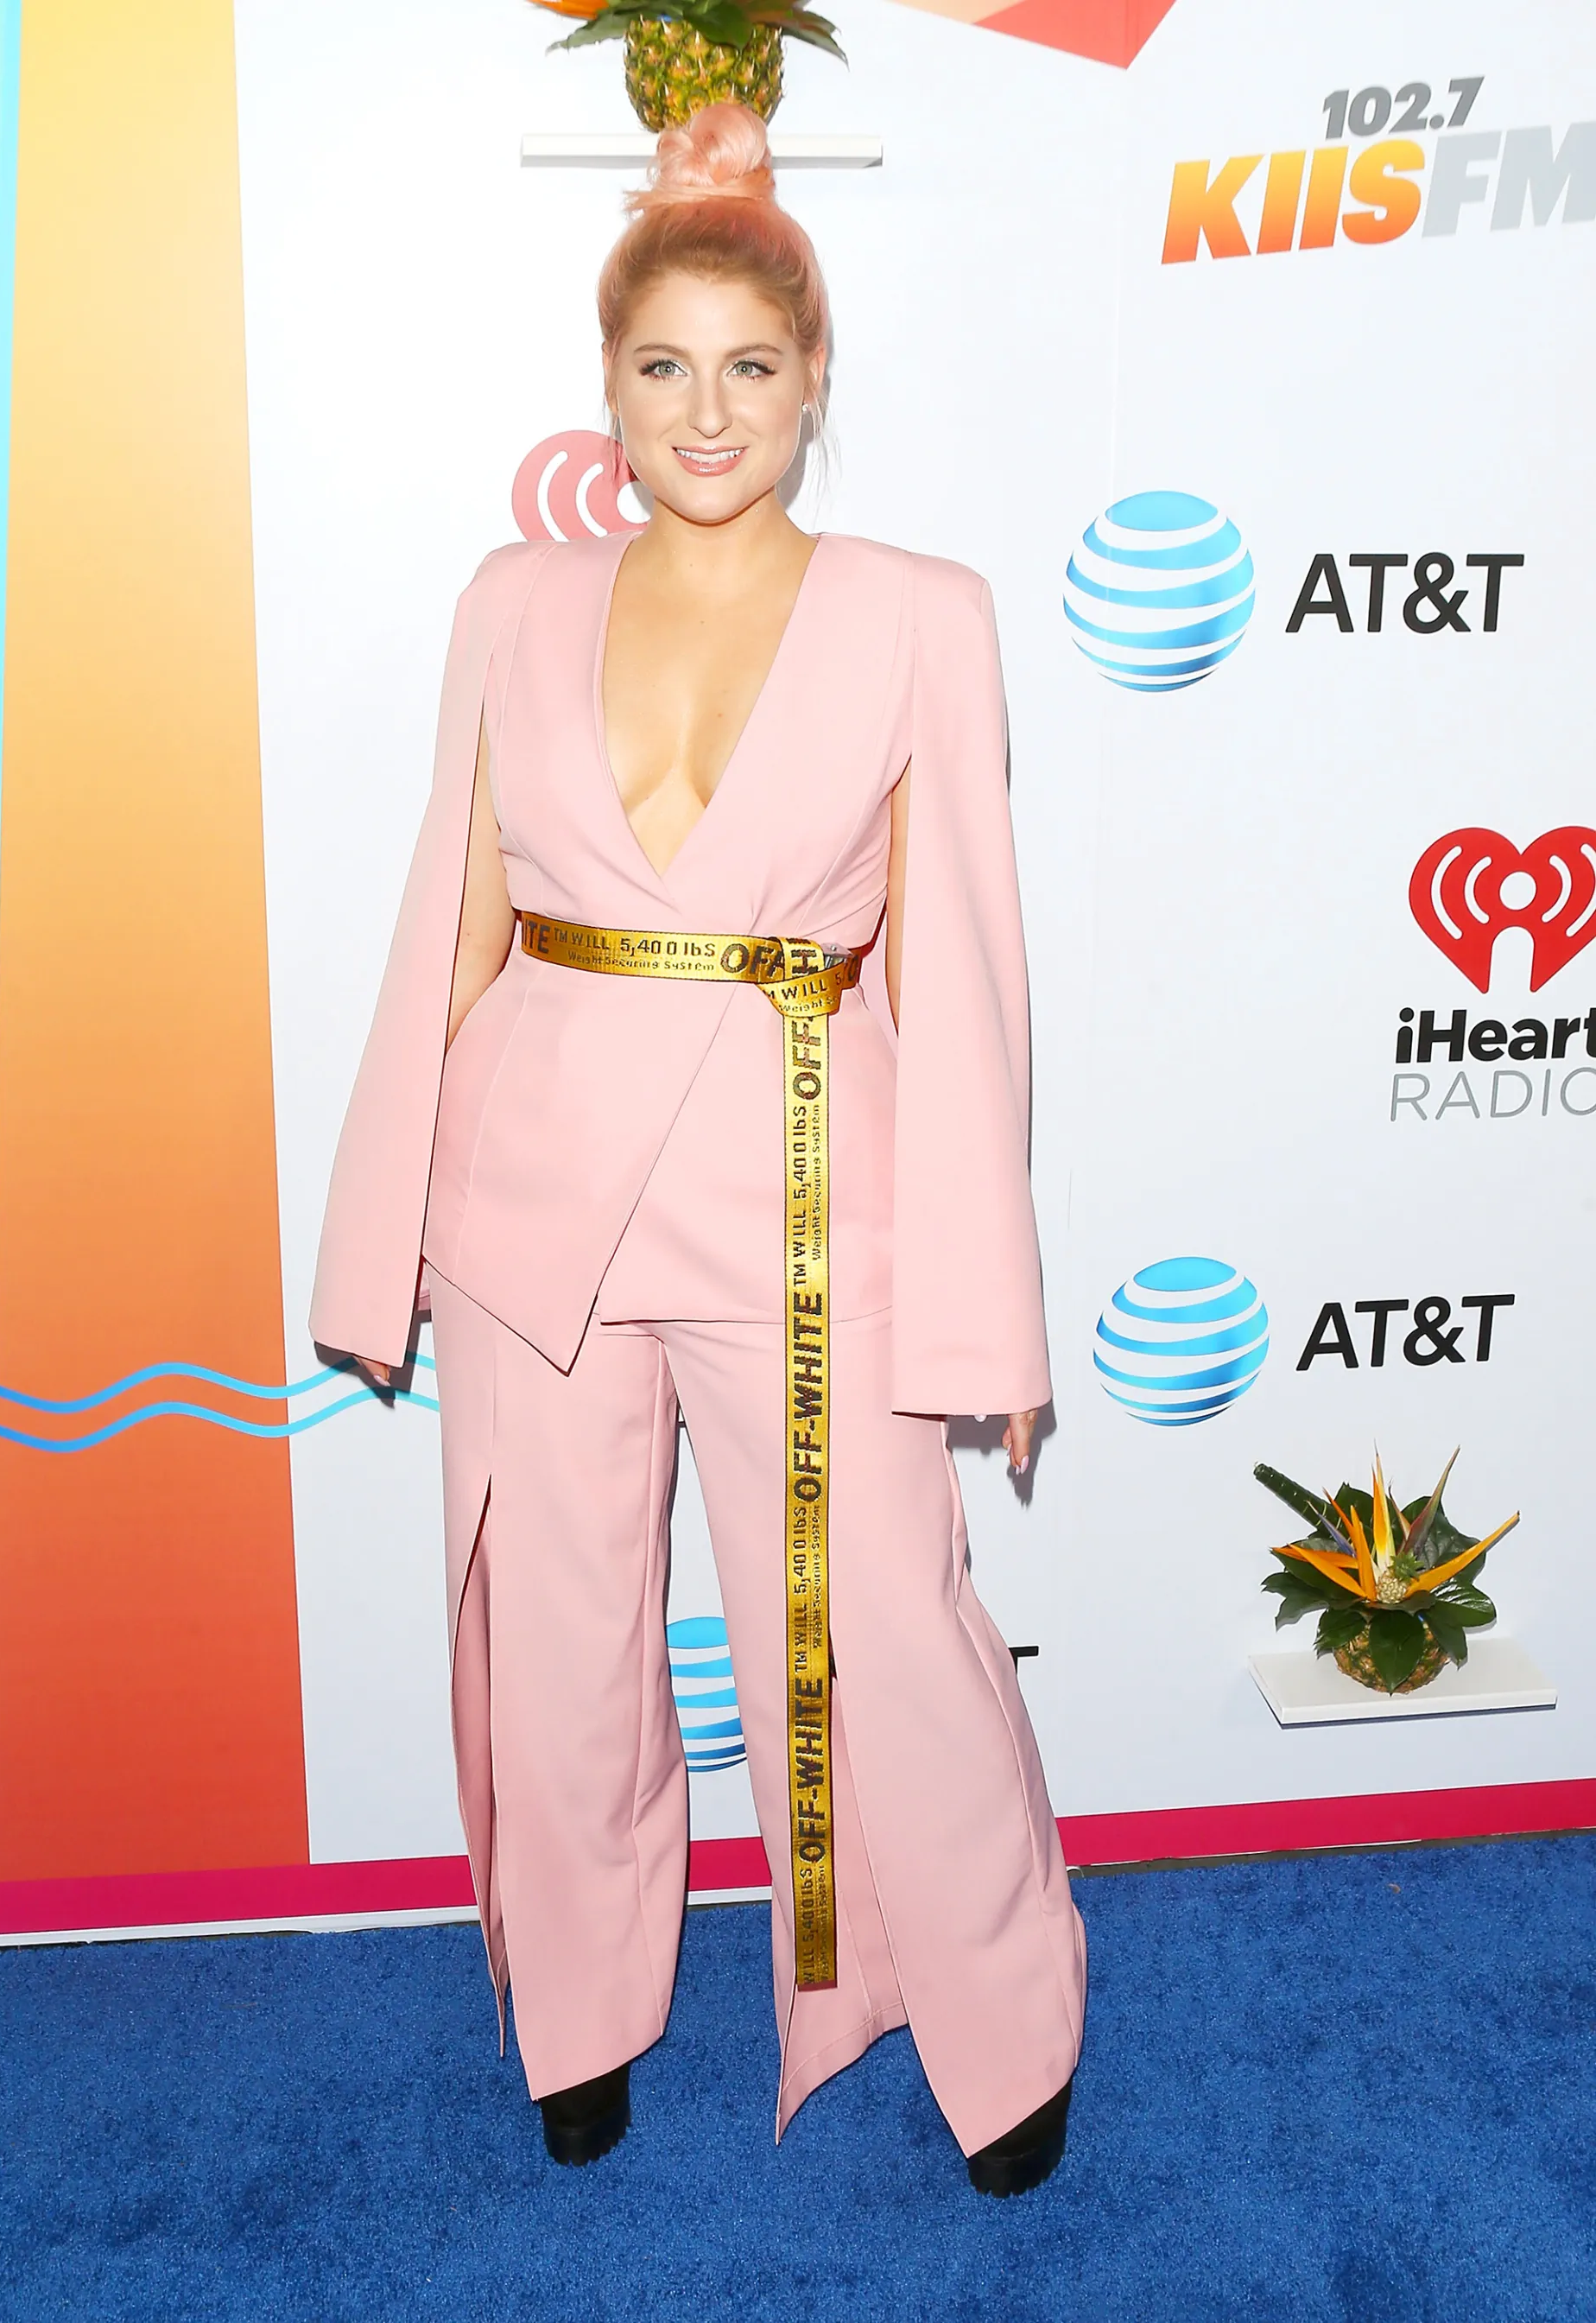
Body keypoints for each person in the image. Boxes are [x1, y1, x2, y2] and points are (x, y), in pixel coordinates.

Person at [310, 101, 1086, 2198]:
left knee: (882, 1628)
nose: (707, 409)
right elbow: (453, 925)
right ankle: (577, 2012)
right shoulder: (508, 599)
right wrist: (373, 1238)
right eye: (663, 365)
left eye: (750, 364)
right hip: (528, 1204)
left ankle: (992, 2018)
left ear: (815, 378)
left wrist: (988, 1307)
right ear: (607, 385)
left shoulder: (919, 611)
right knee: (558, 1641)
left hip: (807, 1190)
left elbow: (959, 971)